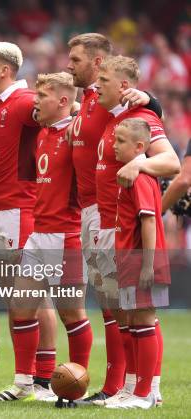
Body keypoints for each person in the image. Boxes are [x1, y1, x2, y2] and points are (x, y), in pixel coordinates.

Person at [65, 33, 165, 404]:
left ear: (98, 65)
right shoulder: (93, 103)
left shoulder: (130, 111)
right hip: (93, 211)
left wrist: (139, 160)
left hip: (116, 217)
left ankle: (143, 388)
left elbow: (166, 156)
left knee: (135, 309)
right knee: (115, 307)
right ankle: (124, 387)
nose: (68, 65)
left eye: (76, 60)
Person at [0, 72, 89, 402]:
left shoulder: (76, 133)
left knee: (71, 314)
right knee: (21, 306)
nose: (35, 100)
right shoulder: (44, 134)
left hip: (65, 236)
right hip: (38, 234)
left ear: (63, 101)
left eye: (43, 95)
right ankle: (24, 383)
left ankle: (75, 388)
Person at [94, 55, 180, 407]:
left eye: (103, 78)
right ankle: (134, 389)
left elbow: (170, 163)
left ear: (124, 87)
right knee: (126, 315)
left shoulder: (140, 125)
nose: (97, 85)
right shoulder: (120, 116)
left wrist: (139, 162)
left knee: (140, 315)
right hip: (118, 237)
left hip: (135, 247)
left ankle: (146, 391)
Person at [0, 42, 58, 399]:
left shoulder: (24, 103)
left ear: (5, 70)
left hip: (24, 211)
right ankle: (28, 380)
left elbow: (59, 121)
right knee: (18, 299)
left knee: (36, 300)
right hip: (1, 212)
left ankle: (40, 380)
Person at [107, 118, 170, 409]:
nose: (114, 145)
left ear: (140, 147)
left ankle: (144, 393)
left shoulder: (141, 177)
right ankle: (138, 390)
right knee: (133, 322)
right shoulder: (127, 175)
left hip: (142, 261)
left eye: (120, 141)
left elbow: (148, 222)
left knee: (143, 321)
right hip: (129, 260)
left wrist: (147, 264)